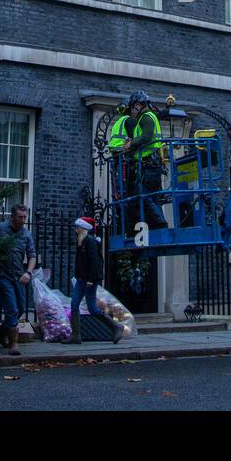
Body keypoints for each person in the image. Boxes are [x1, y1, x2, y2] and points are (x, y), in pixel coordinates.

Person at [62, 216, 123, 344]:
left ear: (83, 228)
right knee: (80, 306)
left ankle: (116, 326)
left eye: (78, 227)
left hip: (88, 280)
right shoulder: (82, 242)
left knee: (91, 308)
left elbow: (95, 261)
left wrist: (91, 279)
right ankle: (76, 335)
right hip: (81, 279)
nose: (76, 229)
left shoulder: (90, 242)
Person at [117, 91, 168, 232]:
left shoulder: (146, 117)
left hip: (149, 164)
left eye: (133, 107)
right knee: (151, 196)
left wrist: (130, 144)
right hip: (149, 163)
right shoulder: (145, 118)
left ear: (139, 105)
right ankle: (157, 225)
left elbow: (146, 137)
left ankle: (160, 223)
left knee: (143, 193)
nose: (132, 110)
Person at [0, 204, 36, 355]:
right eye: (20, 217)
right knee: (12, 308)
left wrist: (28, 273)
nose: (23, 220)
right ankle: (14, 343)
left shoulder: (26, 234)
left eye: (25, 217)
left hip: (19, 275)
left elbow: (32, 256)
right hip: (2, 274)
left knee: (21, 308)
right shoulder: (0, 229)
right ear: (12, 217)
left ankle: (2, 330)